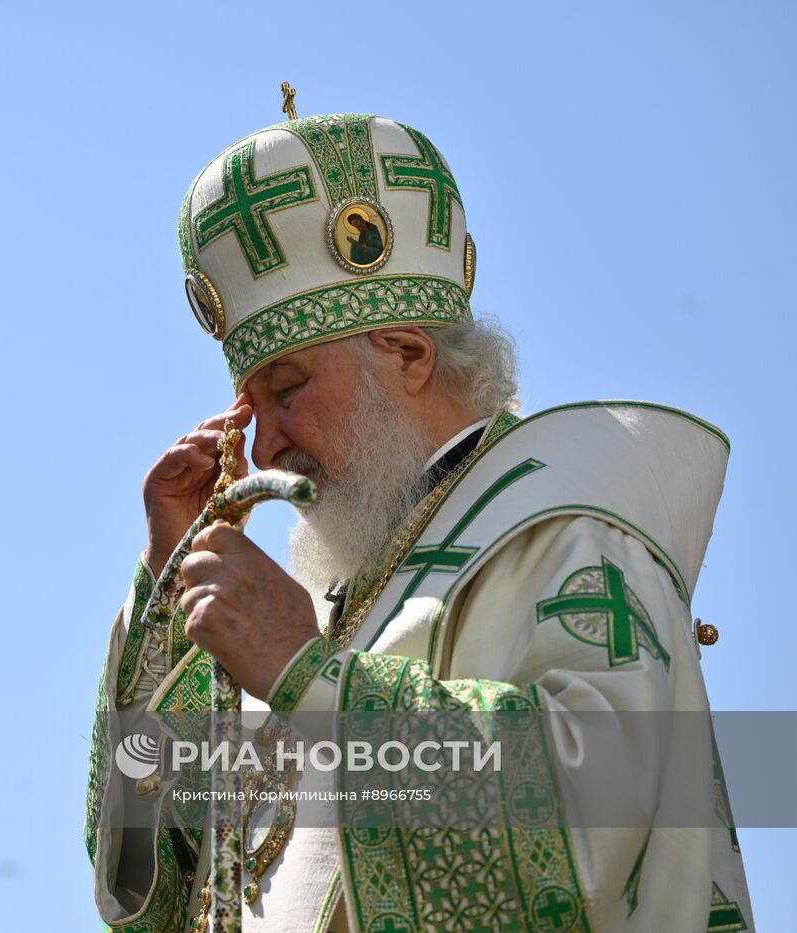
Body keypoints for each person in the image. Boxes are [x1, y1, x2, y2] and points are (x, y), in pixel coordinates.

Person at [85, 112, 752, 932]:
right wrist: (168, 589)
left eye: (287, 390)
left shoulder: (565, 525)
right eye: (247, 409)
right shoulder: (327, 598)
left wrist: (308, 673)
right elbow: (153, 894)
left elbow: (597, 817)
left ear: (406, 353)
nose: (261, 445)